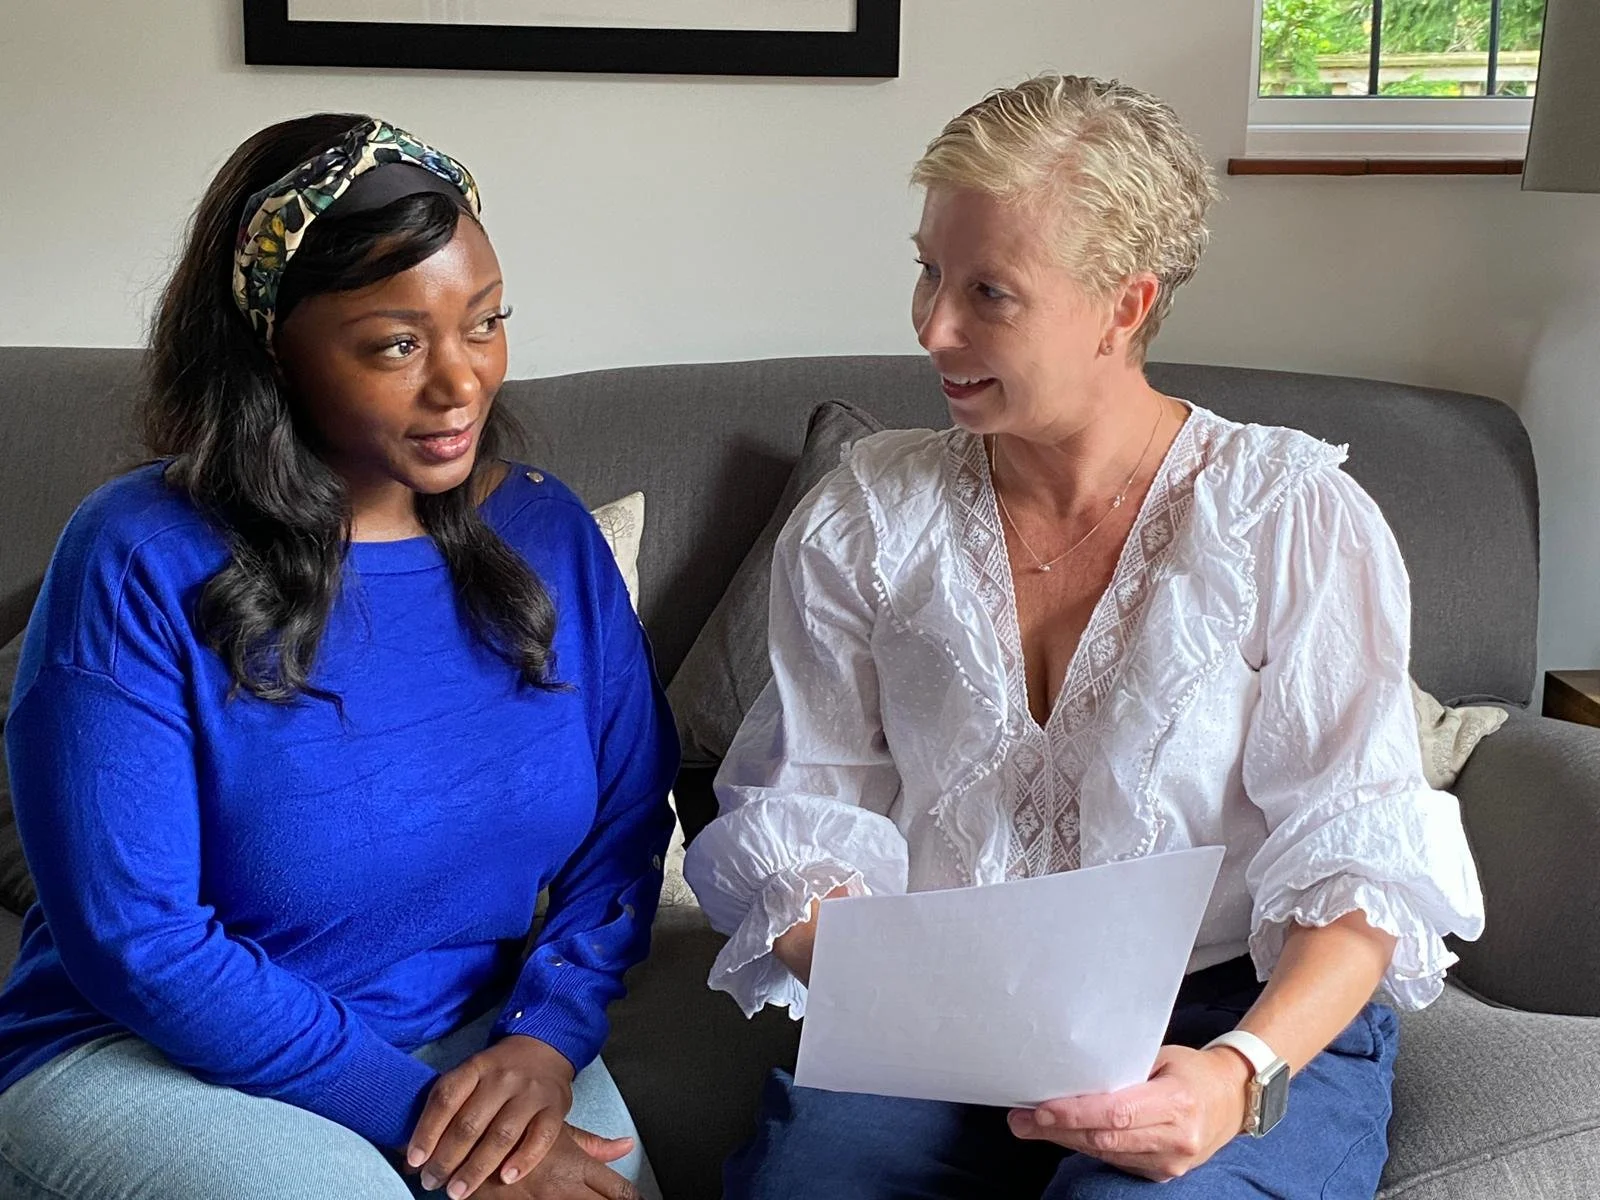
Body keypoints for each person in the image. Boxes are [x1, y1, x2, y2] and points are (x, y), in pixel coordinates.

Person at [685, 74, 1485, 1199]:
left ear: (1123, 302)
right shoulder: (869, 512)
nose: (931, 325)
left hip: (1227, 1016)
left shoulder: (1286, 513)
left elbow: (1357, 856)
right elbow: (807, 808)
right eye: (926, 269)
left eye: (988, 292)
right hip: (941, 1011)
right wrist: (922, 1000)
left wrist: (1233, 1076)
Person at [0, 115, 676, 1200]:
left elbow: (627, 824)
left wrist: (548, 1036)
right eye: (396, 344)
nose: (462, 382)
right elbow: (139, 941)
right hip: (149, 1057)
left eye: (487, 323)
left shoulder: (548, 535)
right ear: (274, 346)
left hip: (479, 1053)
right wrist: (421, 1123)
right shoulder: (134, 552)